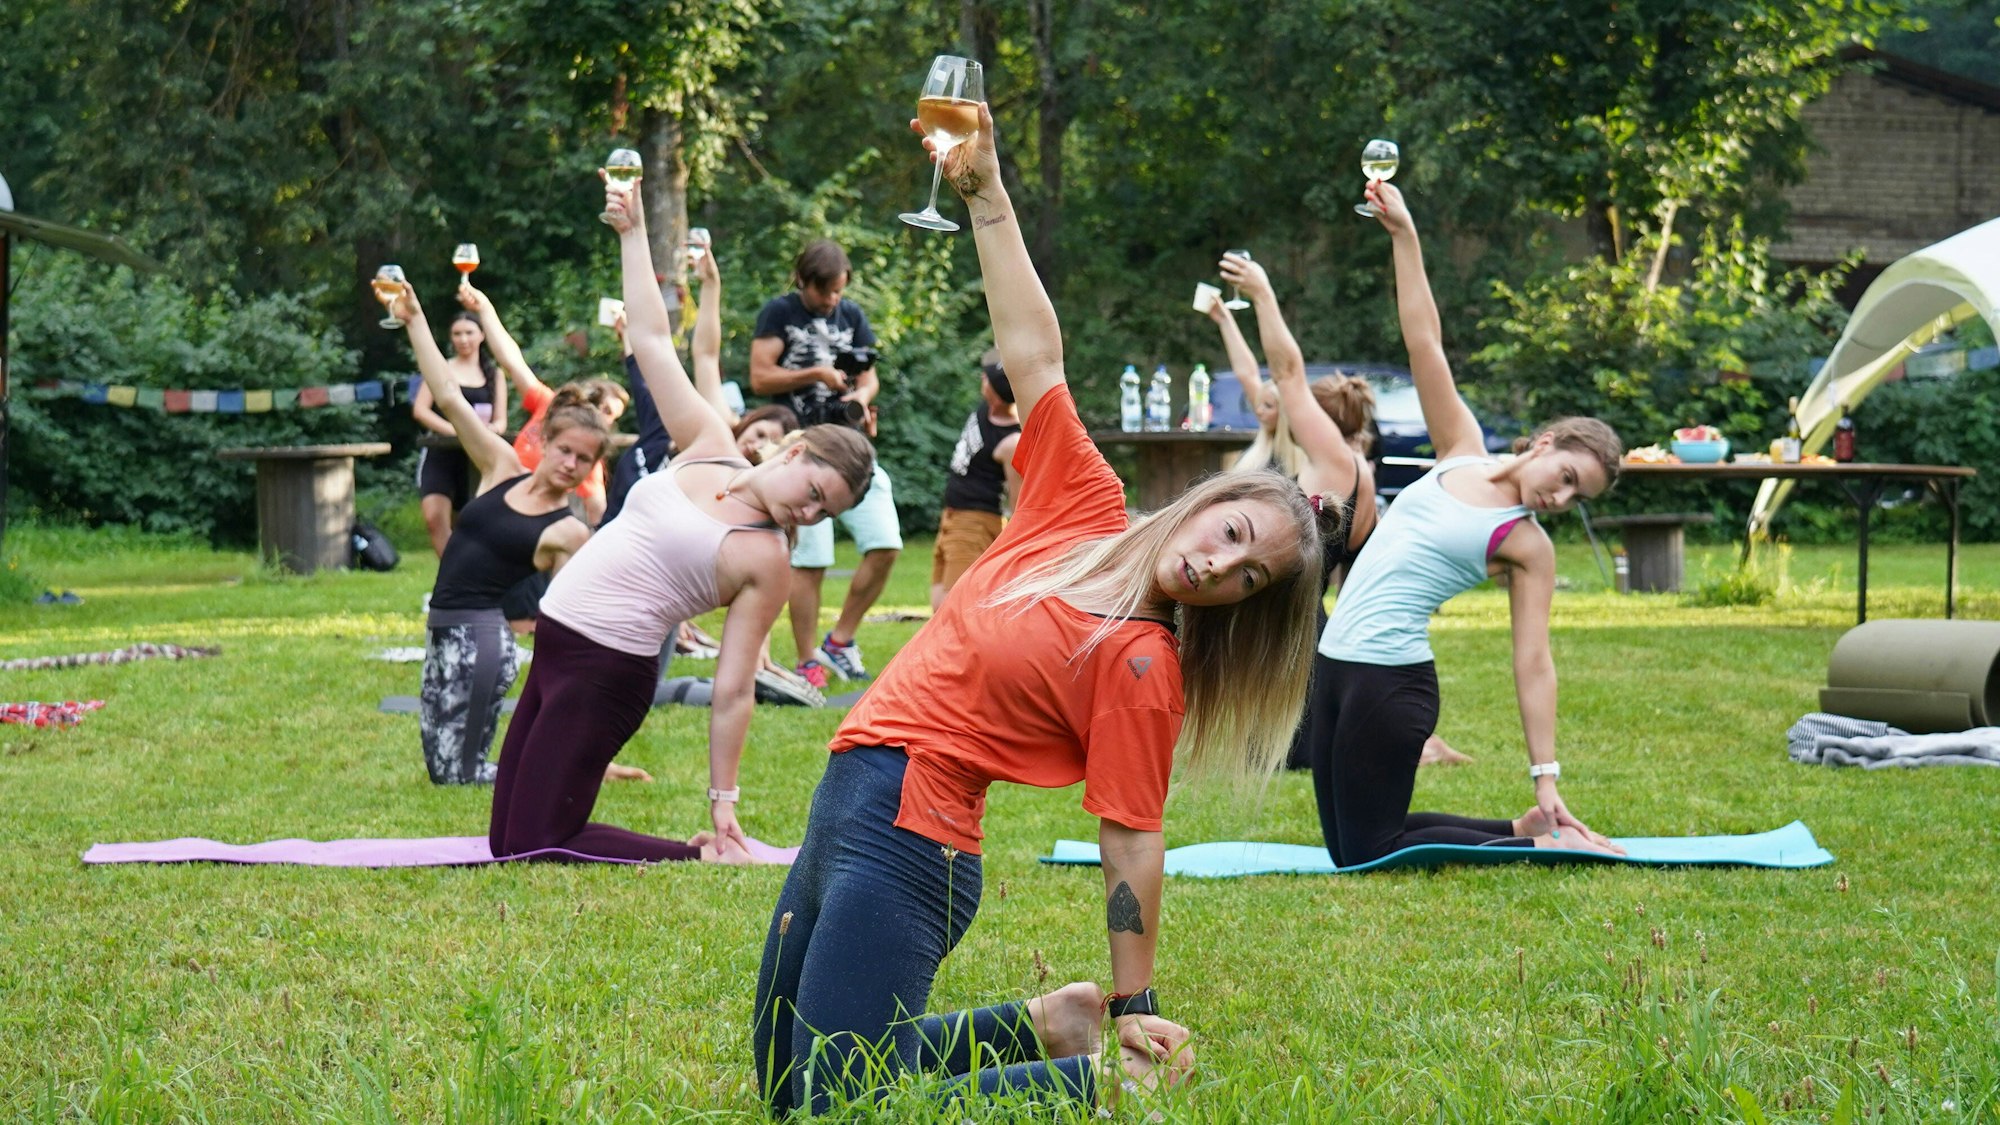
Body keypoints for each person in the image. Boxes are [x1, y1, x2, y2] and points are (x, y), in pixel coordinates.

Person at [752, 101, 1324, 1116]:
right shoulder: (1080, 510)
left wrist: (1138, 996)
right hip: (846, 795)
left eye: (1247, 582)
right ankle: (1041, 1024)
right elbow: (1036, 357)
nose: (1218, 569)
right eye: (1232, 537)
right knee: (784, 1084)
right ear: (1211, 502)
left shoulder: (1142, 661)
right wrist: (986, 194)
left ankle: (1093, 1081)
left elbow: (1131, 837)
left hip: (913, 837)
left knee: (825, 1109)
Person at [486, 168, 875, 865]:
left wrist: (723, 804)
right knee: (503, 838)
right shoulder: (708, 443)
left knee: (529, 843)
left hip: (606, 668)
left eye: (826, 512)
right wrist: (634, 234)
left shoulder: (765, 558)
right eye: (813, 488)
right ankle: (687, 850)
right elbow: (655, 340)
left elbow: (732, 690)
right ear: (792, 445)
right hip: (554, 640)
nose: (809, 510)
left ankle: (699, 853)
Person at [1306, 179, 1627, 868]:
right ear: (1545, 442)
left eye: (1578, 498)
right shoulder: (1463, 447)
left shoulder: (1525, 544)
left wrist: (1549, 771)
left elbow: (1533, 661)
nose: (1561, 499)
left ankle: (1543, 829)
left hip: (1390, 679)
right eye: (1567, 476)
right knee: (1349, 845)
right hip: (1334, 663)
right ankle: (1527, 827)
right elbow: (1424, 339)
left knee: (1365, 852)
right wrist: (1405, 236)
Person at [1208, 267, 1474, 769]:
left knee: (1300, 754)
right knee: (1280, 747)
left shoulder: (1334, 461)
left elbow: (1287, 373)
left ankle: (1420, 748)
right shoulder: (1333, 467)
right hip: (1296, 621)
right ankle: (1414, 744)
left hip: (1299, 625)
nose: (1285, 407)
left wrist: (1264, 293)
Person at [387, 280, 601, 787]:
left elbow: (566, 625)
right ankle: (545, 768)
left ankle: (555, 771)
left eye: (585, 459)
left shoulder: (569, 532)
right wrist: (414, 318)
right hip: (441, 632)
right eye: (565, 450)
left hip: (481, 643)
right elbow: (447, 397)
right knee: (446, 770)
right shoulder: (502, 465)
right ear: (545, 442)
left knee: (456, 777)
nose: (571, 464)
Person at [749, 239, 899, 688]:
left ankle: (841, 640)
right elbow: (760, 376)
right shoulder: (780, 313)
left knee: (886, 542)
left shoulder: (851, 315)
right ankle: (807, 657)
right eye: (825, 292)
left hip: (851, 448)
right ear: (803, 281)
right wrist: (815, 374)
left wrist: (860, 396)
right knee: (811, 559)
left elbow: (870, 376)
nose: (833, 301)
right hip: (802, 448)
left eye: (838, 291)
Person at [455, 284, 628, 527]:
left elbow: (597, 510)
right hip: (502, 493)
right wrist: (484, 309)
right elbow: (512, 361)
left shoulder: (586, 455)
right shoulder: (550, 404)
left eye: (613, 418)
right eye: (607, 411)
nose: (607, 421)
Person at [411, 309, 508, 558]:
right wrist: (456, 430)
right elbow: (421, 410)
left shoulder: (494, 375)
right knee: (435, 519)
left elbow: (501, 421)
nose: (463, 339)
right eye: (457, 334)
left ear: (482, 336)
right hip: (441, 454)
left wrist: (486, 431)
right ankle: (449, 579)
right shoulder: (441, 369)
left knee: (471, 524)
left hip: (476, 459)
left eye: (468, 333)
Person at [929, 349, 1021, 610]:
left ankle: (954, 650)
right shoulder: (987, 410)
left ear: (996, 394)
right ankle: (939, 648)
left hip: (975, 523)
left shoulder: (1012, 442)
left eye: (987, 379)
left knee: (955, 604)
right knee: (939, 598)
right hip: (952, 517)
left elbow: (1018, 501)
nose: (982, 378)